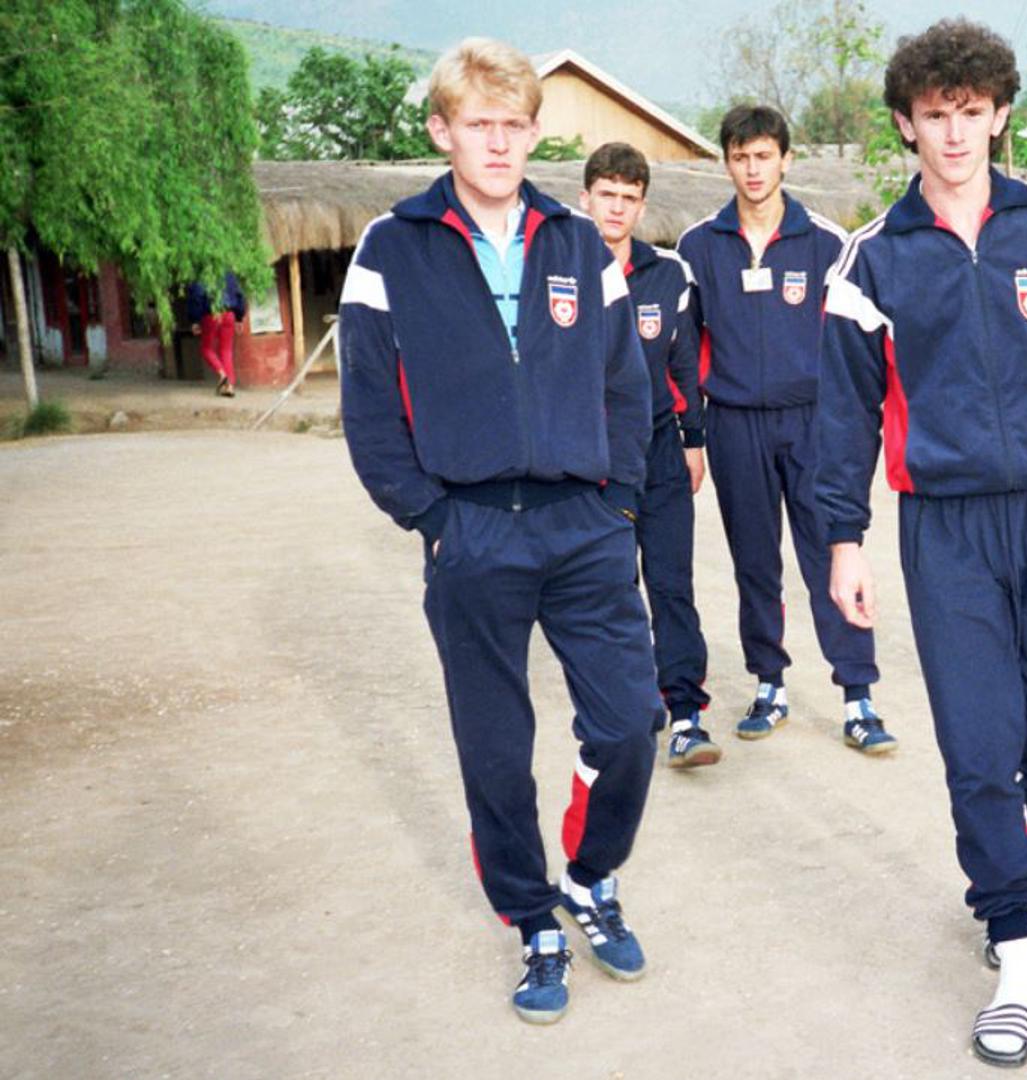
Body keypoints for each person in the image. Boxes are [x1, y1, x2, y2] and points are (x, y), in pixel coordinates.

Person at [817, 19, 1027, 1067]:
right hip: (945, 527)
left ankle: (1010, 864)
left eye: (971, 113)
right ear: (905, 125)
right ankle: (1015, 948)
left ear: (1000, 114)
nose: (954, 134)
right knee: (975, 744)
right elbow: (843, 414)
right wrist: (841, 540)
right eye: (935, 116)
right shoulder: (872, 260)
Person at [338, 38, 660, 1025]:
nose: (497, 143)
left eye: (514, 125)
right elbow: (368, 408)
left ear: (532, 133)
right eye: (478, 124)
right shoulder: (391, 247)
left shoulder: (576, 240)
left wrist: (619, 501)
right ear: (442, 131)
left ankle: (589, 876)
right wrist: (430, 517)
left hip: (583, 526)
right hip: (471, 531)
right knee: (494, 749)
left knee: (629, 721)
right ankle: (533, 923)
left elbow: (627, 385)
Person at [677, 104, 894, 754]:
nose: (753, 169)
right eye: (740, 157)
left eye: (764, 156)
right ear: (726, 163)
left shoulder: (825, 242)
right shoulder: (697, 246)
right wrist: (693, 434)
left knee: (832, 552)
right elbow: (685, 351)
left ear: (786, 160)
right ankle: (768, 684)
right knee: (754, 561)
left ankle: (858, 696)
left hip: (811, 423)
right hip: (734, 422)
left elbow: (852, 346)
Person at [578, 142, 718, 769]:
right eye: (606, 195)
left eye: (628, 198)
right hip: (592, 457)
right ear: (586, 199)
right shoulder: (560, 271)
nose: (617, 208)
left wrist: (694, 441)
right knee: (612, 589)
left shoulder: (668, 273)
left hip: (660, 449)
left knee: (671, 583)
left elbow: (685, 364)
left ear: (642, 207)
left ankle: (686, 713)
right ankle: (629, 712)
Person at [184, 272, 246, 396]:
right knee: (226, 350)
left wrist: (195, 320)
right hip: (229, 314)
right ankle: (230, 386)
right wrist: (239, 317)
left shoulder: (202, 273)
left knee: (206, 349)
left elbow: (196, 296)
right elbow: (239, 295)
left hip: (211, 315)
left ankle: (222, 375)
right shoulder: (229, 274)